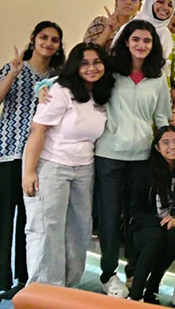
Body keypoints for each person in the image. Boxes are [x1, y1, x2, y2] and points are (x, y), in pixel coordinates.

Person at [59, 19, 172, 297]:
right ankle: (108, 274)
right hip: (108, 155)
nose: (141, 45)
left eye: (147, 40)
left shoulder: (158, 77)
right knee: (109, 218)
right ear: (126, 41)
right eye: (136, 39)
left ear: (154, 45)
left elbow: (161, 117)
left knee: (137, 217)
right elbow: (76, 77)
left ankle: (134, 271)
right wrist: (45, 86)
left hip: (142, 157)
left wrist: (166, 149)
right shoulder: (111, 71)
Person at [0, 20, 64, 306]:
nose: (48, 43)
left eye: (54, 40)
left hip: (39, 159)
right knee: (1, 219)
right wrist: (12, 75)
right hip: (6, 153)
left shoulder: (57, 77)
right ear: (33, 39)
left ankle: (27, 280)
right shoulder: (14, 67)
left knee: (31, 221)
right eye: (43, 37)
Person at [19, 42, 112, 291]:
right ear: (74, 66)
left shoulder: (102, 93)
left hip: (84, 169)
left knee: (79, 230)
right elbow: (38, 130)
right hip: (52, 166)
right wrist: (29, 171)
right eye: (84, 63)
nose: (91, 68)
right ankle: (44, 291)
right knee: (47, 228)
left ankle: (67, 288)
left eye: (97, 62)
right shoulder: (60, 90)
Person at [126, 126, 175, 303]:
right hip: (146, 225)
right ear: (157, 147)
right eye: (165, 142)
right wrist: (159, 222)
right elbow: (135, 211)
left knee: (174, 237)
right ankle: (135, 295)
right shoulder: (145, 172)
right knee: (156, 238)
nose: (172, 147)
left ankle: (152, 288)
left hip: (173, 223)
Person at [118, 0, 175, 124]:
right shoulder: (130, 30)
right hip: (128, 108)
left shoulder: (171, 39)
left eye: (170, 4)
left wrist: (174, 111)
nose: (165, 7)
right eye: (160, 1)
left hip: (161, 112)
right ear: (150, 1)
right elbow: (115, 66)